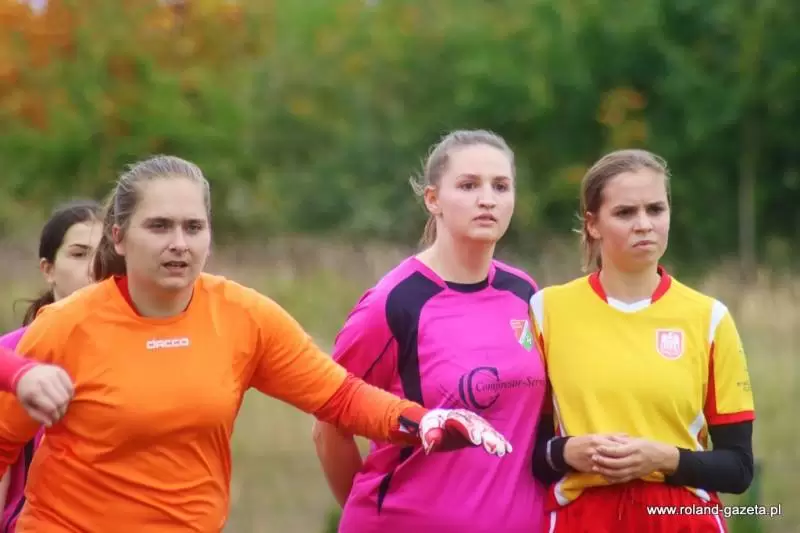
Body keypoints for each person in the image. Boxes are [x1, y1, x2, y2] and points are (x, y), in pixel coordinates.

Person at [0, 154, 512, 533]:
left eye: (193, 227)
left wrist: (423, 422)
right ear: (118, 237)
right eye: (159, 227)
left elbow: (340, 397)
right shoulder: (66, 326)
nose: (179, 243)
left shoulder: (242, 316)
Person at [312, 130, 547, 533]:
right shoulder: (393, 303)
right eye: (468, 185)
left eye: (500, 186)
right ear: (433, 199)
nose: (487, 199)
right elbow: (329, 427)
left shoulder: (523, 292)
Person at [530, 149, 755, 532]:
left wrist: (664, 458)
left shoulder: (710, 318)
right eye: (625, 213)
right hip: (583, 518)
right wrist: (567, 451)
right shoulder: (546, 311)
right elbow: (529, 455)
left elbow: (738, 468)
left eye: (655, 209)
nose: (644, 224)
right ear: (593, 224)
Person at [0, 199, 102, 532]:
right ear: (48, 269)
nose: (95, 267)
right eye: (79, 254)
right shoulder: (12, 352)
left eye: (103, 254)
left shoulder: (135, 349)